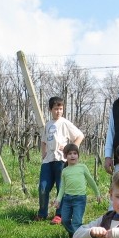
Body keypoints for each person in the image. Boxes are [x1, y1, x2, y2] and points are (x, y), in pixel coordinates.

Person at [35, 96, 84, 224]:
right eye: (56, 109)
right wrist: (43, 153)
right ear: (51, 109)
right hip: (48, 160)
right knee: (43, 187)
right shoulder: (48, 124)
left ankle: (59, 215)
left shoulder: (65, 123)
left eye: (61, 109)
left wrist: (71, 148)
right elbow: (44, 141)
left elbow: (79, 136)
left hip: (61, 160)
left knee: (61, 187)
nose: (58, 111)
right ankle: (42, 212)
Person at [52, 143, 101, 238]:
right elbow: (62, 187)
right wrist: (58, 200)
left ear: (78, 155)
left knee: (76, 221)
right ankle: (75, 233)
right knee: (64, 220)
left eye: (75, 153)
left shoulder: (82, 167)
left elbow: (91, 181)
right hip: (67, 199)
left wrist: (97, 193)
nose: (72, 155)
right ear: (65, 156)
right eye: (70, 153)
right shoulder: (65, 171)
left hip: (80, 199)